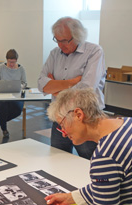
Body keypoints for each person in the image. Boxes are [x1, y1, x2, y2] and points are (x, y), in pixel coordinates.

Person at [38, 16, 106, 159]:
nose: (60, 45)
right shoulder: (54, 54)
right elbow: (41, 84)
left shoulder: (94, 52)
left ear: (77, 37)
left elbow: (86, 89)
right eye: (57, 40)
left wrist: (55, 87)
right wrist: (73, 81)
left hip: (86, 119)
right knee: (58, 158)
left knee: (89, 160)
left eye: (64, 40)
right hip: (60, 118)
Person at [0, 49, 27, 138]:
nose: (11, 64)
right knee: (3, 106)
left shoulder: (21, 69)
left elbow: (24, 83)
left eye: (13, 62)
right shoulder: (0, 68)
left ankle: (1, 121)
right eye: (9, 62)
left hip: (16, 94)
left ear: (16, 61)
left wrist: (19, 86)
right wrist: (0, 85)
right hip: (1, 94)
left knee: (18, 109)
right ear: (6, 60)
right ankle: (4, 130)